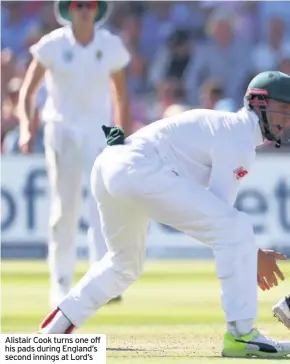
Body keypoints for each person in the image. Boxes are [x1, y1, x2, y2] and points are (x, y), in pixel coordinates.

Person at [39, 71, 290, 358]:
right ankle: (242, 335)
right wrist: (253, 254)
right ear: (258, 104)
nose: (287, 119)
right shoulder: (240, 139)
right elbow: (223, 218)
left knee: (123, 264)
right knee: (237, 228)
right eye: (283, 109)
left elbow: (216, 219)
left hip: (110, 163)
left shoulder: (229, 128)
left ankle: (51, 334)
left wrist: (249, 253)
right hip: (136, 168)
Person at [18, 0, 131, 308]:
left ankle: (101, 279)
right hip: (62, 130)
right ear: (69, 9)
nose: (84, 9)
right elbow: (28, 91)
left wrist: (122, 137)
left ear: (97, 10)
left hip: (99, 133)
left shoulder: (110, 45)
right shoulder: (52, 44)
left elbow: (121, 95)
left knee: (102, 206)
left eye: (90, 4)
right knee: (64, 210)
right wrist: (28, 127)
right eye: (78, 4)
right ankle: (60, 284)